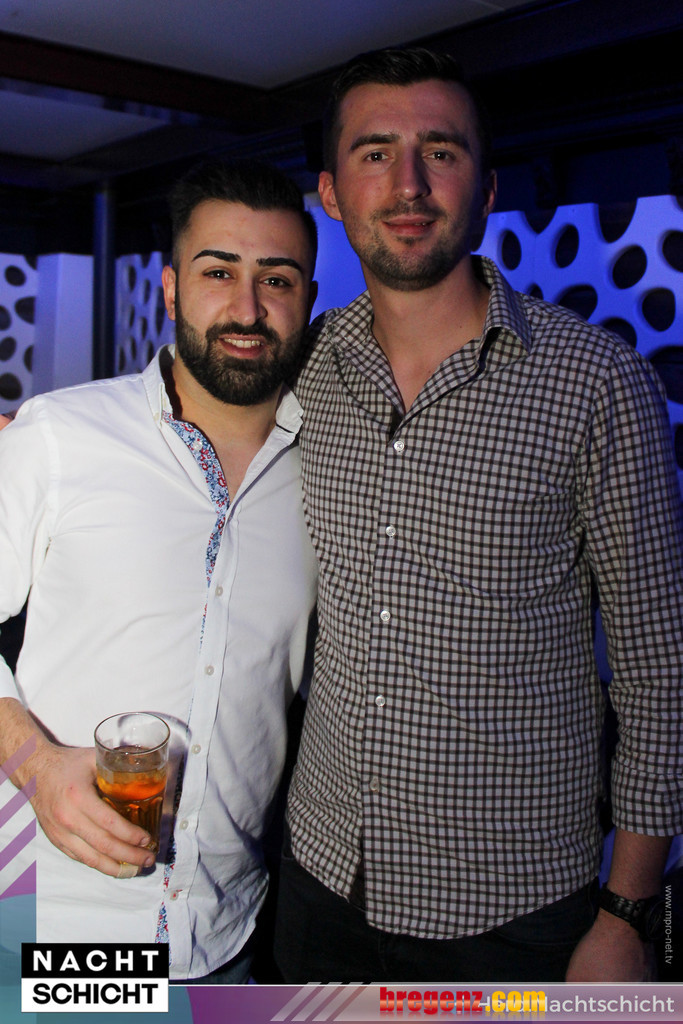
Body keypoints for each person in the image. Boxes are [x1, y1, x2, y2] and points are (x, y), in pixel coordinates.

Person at [275, 47, 683, 984]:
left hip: (512, 909)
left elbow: (658, 671)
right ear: (330, 193)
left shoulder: (597, 383)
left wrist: (627, 914)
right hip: (317, 875)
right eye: (374, 153)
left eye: (440, 152)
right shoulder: (307, 362)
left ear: (487, 187)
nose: (407, 185)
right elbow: (188, 419)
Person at [0, 159, 318, 983]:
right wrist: (36, 764)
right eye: (218, 272)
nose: (246, 308)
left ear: (307, 299)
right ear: (172, 290)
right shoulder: (60, 436)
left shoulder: (331, 476)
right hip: (53, 928)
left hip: (227, 937)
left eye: (276, 279)